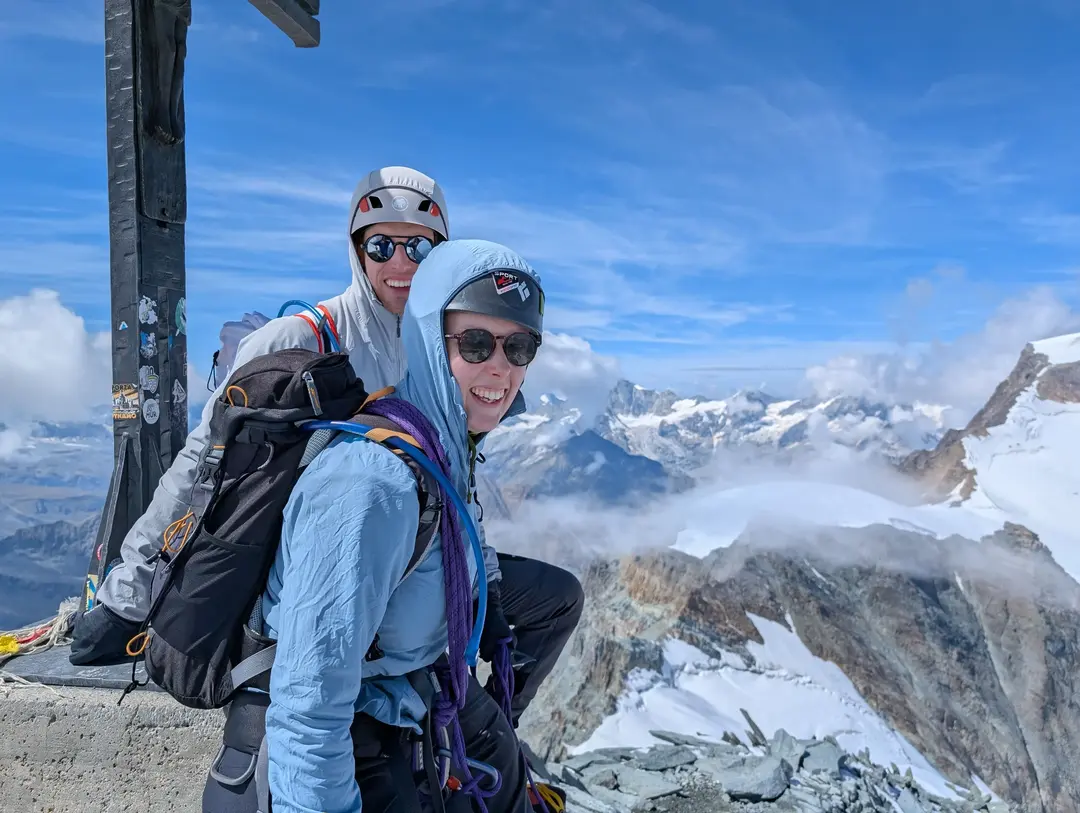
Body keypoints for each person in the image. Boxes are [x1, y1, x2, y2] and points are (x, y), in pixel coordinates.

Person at [71, 167, 583, 729]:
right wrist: (128, 597)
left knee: (557, 599)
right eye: (381, 244)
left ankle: (489, 731)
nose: (401, 264)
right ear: (356, 250)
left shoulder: (451, 349)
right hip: (307, 574)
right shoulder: (300, 340)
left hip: (410, 555)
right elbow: (200, 470)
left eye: (420, 247)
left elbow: (456, 475)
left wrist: (480, 580)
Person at [203, 239, 545, 812]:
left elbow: (460, 536)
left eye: (520, 346)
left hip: (396, 699)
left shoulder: (440, 438)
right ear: (429, 341)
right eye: (477, 343)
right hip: (339, 746)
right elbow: (309, 711)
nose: (501, 367)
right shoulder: (370, 487)